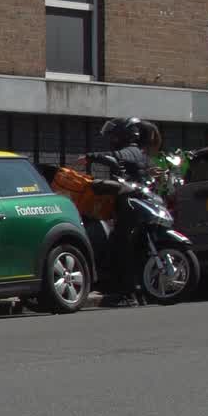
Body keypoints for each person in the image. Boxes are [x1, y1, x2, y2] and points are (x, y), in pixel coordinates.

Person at [87, 118, 153, 301]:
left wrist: (93, 156)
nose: (112, 139)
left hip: (132, 206)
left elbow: (120, 156)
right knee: (120, 241)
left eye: (114, 136)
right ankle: (130, 289)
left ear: (124, 135)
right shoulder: (137, 151)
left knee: (121, 244)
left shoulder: (132, 151)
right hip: (130, 204)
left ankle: (126, 288)